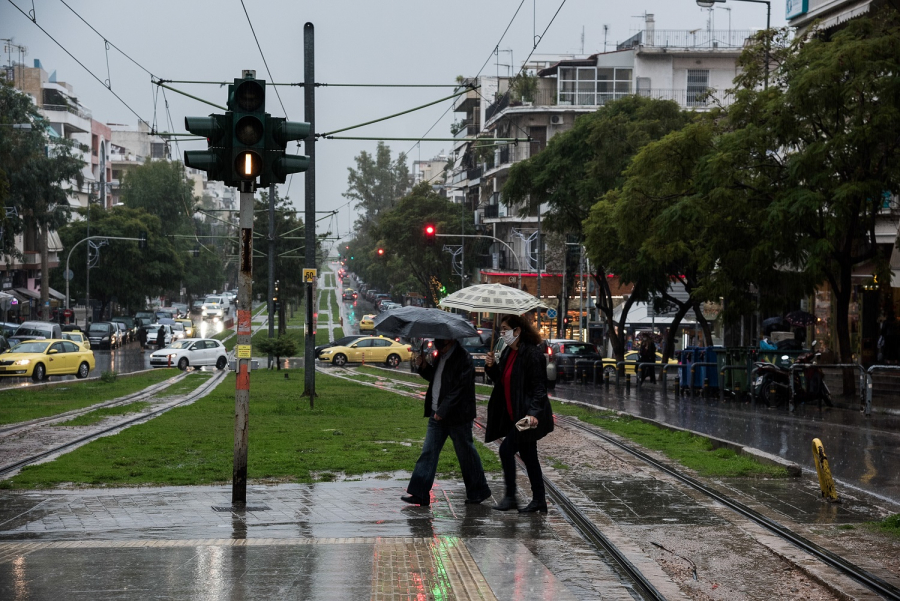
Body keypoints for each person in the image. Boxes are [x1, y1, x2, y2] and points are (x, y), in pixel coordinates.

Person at [401, 337, 491, 507]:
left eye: (441, 342)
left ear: (451, 340)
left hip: (458, 416)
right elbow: (437, 379)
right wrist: (424, 367)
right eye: (437, 341)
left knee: (466, 454)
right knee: (428, 452)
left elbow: (460, 389)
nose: (438, 345)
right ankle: (420, 493)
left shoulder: (463, 358)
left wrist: (443, 410)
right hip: (438, 414)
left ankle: (478, 491)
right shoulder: (440, 356)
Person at [484, 314, 554, 514]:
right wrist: (491, 367)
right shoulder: (508, 352)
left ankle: (511, 497)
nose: (502, 333)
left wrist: (533, 414)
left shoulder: (532, 354)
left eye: (505, 329)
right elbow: (501, 380)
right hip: (514, 414)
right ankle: (539, 500)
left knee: (506, 449)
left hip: (526, 417)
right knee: (529, 456)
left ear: (518, 331)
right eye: (501, 330)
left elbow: (539, 389)